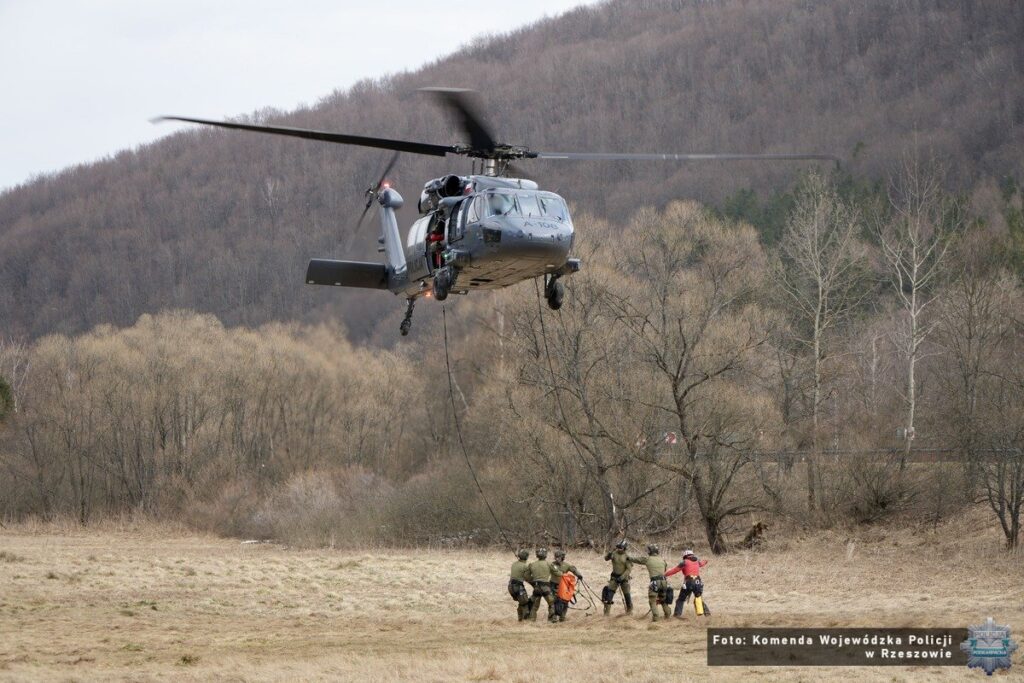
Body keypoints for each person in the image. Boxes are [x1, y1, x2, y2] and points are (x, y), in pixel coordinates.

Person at [628, 544, 673, 621]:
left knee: (652, 600)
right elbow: (665, 570)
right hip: (664, 582)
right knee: (663, 599)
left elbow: (637, 560)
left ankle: (656, 618)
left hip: (655, 582)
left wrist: (628, 557)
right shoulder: (662, 560)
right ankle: (668, 614)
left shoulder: (647, 559)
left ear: (650, 551)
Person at [666, 548, 710, 617]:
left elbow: (674, 570)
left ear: (685, 556)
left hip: (688, 582)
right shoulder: (697, 561)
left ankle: (677, 615)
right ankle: (707, 614)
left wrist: (665, 574)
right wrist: (706, 560)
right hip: (698, 582)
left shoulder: (684, 562)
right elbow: (702, 563)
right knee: (698, 598)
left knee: (681, 599)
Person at [549, 549, 583, 622]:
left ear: (562, 557)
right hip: (553, 585)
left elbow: (573, 569)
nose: (556, 558)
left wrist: (579, 575)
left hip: (564, 586)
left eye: (558, 557)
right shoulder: (552, 565)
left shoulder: (566, 565)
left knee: (565, 601)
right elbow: (556, 572)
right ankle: (553, 618)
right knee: (553, 601)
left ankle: (562, 617)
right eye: (556, 557)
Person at [602, 540, 633, 616]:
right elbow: (606, 558)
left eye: (621, 548)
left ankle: (629, 611)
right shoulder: (614, 553)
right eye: (618, 547)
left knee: (627, 595)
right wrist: (610, 552)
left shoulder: (627, 557)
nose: (619, 549)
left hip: (624, 578)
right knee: (609, 594)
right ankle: (606, 613)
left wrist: (622, 577)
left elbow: (629, 569)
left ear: (624, 548)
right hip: (614, 577)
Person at [524, 547, 556, 622]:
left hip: (537, 587)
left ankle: (531, 620)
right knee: (551, 603)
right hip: (546, 587)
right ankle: (552, 619)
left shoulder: (532, 564)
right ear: (546, 555)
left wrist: (533, 581)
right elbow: (558, 573)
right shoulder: (549, 564)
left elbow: (526, 576)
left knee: (534, 605)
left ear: (537, 555)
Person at [508, 549, 532, 621]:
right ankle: (526, 620)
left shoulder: (514, 564)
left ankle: (520, 620)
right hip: (518, 587)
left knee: (521, 602)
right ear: (526, 557)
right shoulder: (525, 566)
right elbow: (527, 578)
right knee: (525, 603)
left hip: (510, 587)